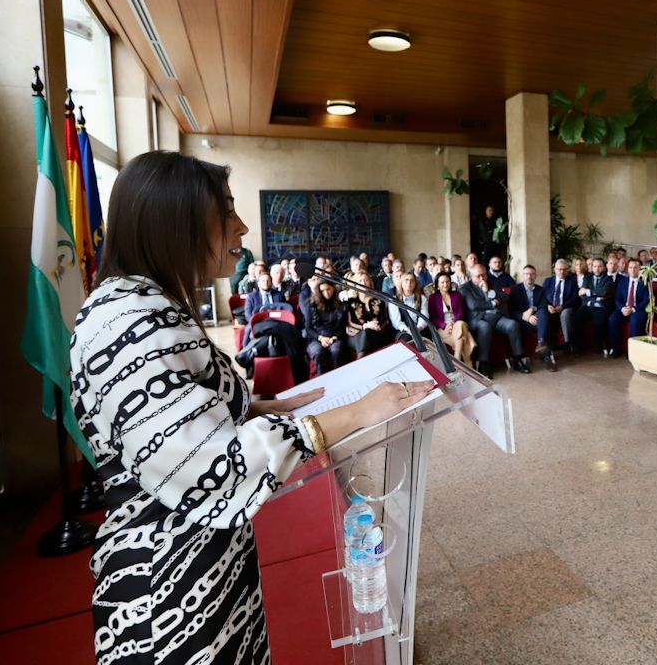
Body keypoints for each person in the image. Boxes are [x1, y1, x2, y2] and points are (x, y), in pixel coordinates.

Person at [69, 151, 434, 664]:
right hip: (169, 596)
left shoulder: (145, 302)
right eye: (227, 211)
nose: (241, 227)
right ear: (178, 221)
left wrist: (258, 407)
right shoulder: (128, 321)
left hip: (207, 570)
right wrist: (352, 414)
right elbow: (208, 468)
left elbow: (175, 421)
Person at [461, 263, 530, 377]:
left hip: (497, 317)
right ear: (471, 276)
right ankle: (483, 364)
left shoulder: (492, 282)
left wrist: (489, 291)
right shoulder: (465, 287)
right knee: (485, 327)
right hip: (478, 319)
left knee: (512, 324)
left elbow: (505, 296)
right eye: (478, 276)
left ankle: (518, 360)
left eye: (484, 275)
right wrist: (493, 303)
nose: (482, 278)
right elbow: (473, 305)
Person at [429, 272, 475, 363]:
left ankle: (457, 357)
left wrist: (453, 323)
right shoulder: (433, 298)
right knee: (465, 335)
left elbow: (461, 313)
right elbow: (433, 317)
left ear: (450, 283)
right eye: (442, 282)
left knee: (460, 324)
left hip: (457, 324)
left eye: (447, 282)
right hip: (443, 328)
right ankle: (468, 363)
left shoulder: (457, 295)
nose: (445, 284)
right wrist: (444, 325)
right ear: (437, 284)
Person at [306, 280, 350, 374]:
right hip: (316, 338)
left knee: (336, 351)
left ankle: (339, 378)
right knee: (318, 352)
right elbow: (308, 328)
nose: (326, 293)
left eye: (328, 289)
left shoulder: (341, 305)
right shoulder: (311, 306)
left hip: (335, 336)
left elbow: (343, 327)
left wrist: (335, 337)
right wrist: (321, 338)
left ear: (333, 288)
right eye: (322, 291)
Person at [509, 264, 551, 364]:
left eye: (532, 274)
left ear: (535, 276)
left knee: (543, 313)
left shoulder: (540, 290)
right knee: (544, 325)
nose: (529, 276)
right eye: (527, 274)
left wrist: (532, 309)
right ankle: (546, 355)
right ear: (523, 276)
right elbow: (511, 310)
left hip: (537, 319)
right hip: (522, 321)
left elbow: (544, 304)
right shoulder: (515, 290)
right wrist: (526, 317)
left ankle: (541, 343)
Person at [608, 258, 650, 358]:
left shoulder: (644, 282)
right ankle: (616, 348)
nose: (633, 270)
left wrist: (634, 309)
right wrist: (622, 308)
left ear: (640, 269)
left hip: (637, 310)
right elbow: (617, 298)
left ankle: (631, 351)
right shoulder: (622, 281)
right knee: (612, 319)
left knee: (635, 320)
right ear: (628, 269)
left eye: (635, 268)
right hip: (624, 309)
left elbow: (646, 300)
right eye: (630, 267)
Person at [575, 257, 616, 355]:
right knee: (576, 318)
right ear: (592, 267)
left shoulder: (609, 279)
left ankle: (597, 345)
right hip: (588, 305)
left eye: (599, 266)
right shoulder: (587, 277)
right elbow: (581, 293)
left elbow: (604, 292)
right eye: (595, 266)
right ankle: (577, 346)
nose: (597, 269)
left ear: (604, 267)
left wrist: (589, 292)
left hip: (600, 307)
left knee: (599, 321)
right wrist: (596, 296)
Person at [345, 271, 391, 357]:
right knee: (365, 333)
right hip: (356, 335)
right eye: (360, 281)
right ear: (355, 284)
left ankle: (360, 361)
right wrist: (365, 326)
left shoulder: (378, 299)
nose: (363, 283)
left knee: (367, 333)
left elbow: (384, 318)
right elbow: (350, 322)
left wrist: (376, 325)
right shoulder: (351, 302)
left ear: (370, 282)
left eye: (366, 280)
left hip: (376, 332)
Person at [540, 258, 579, 356]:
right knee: (545, 314)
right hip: (551, 306)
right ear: (555, 269)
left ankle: (567, 343)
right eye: (559, 269)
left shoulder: (572, 281)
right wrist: (548, 305)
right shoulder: (548, 281)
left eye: (564, 269)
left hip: (566, 307)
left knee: (565, 315)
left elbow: (574, 299)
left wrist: (562, 307)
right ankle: (547, 344)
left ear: (567, 270)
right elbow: (542, 296)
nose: (562, 271)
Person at [389, 272, 431, 344]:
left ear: (415, 284)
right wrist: (407, 330)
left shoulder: (422, 298)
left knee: (425, 338)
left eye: (412, 280)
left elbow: (424, 316)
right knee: (409, 340)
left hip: (420, 329)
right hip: (403, 331)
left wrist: (418, 328)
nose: (409, 282)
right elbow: (396, 322)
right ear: (401, 282)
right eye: (406, 280)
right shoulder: (394, 300)